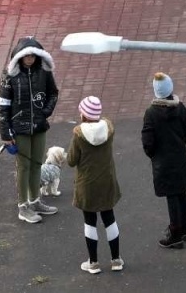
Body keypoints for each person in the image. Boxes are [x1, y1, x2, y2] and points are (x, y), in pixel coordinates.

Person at [0, 35, 60, 223]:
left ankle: (35, 201)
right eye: (26, 56)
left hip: (39, 127)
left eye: (33, 55)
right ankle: (23, 206)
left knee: (37, 164)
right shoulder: (11, 76)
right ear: (20, 56)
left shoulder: (44, 72)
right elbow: (3, 105)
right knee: (23, 167)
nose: (30, 59)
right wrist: (6, 133)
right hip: (20, 128)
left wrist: (45, 112)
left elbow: (53, 93)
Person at [67, 95, 124, 274]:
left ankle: (93, 263)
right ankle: (116, 260)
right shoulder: (109, 129)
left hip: (87, 184)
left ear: (83, 114)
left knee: (90, 222)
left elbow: (71, 160)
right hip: (106, 181)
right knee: (109, 218)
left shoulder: (78, 135)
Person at [141, 71, 186, 248]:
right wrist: (180, 143)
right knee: (181, 193)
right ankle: (185, 229)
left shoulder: (151, 113)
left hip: (163, 162)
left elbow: (148, 142)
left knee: (172, 196)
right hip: (180, 157)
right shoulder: (180, 107)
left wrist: (154, 154)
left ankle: (175, 234)